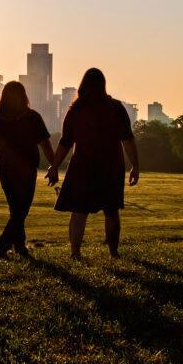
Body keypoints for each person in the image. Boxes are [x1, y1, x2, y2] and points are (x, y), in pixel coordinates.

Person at [46, 68, 140, 260]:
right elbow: (128, 140)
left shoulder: (75, 110)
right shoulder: (116, 108)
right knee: (111, 211)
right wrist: (135, 165)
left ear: (83, 85)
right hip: (111, 166)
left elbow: (65, 142)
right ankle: (113, 253)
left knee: (79, 211)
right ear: (103, 85)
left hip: (82, 166)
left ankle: (75, 253)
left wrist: (54, 165)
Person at [0, 81, 55, 259]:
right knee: (21, 210)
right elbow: (46, 146)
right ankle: (2, 246)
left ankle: (20, 246)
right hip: (27, 169)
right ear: (24, 96)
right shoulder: (33, 117)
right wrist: (54, 166)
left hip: (6, 169)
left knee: (16, 210)